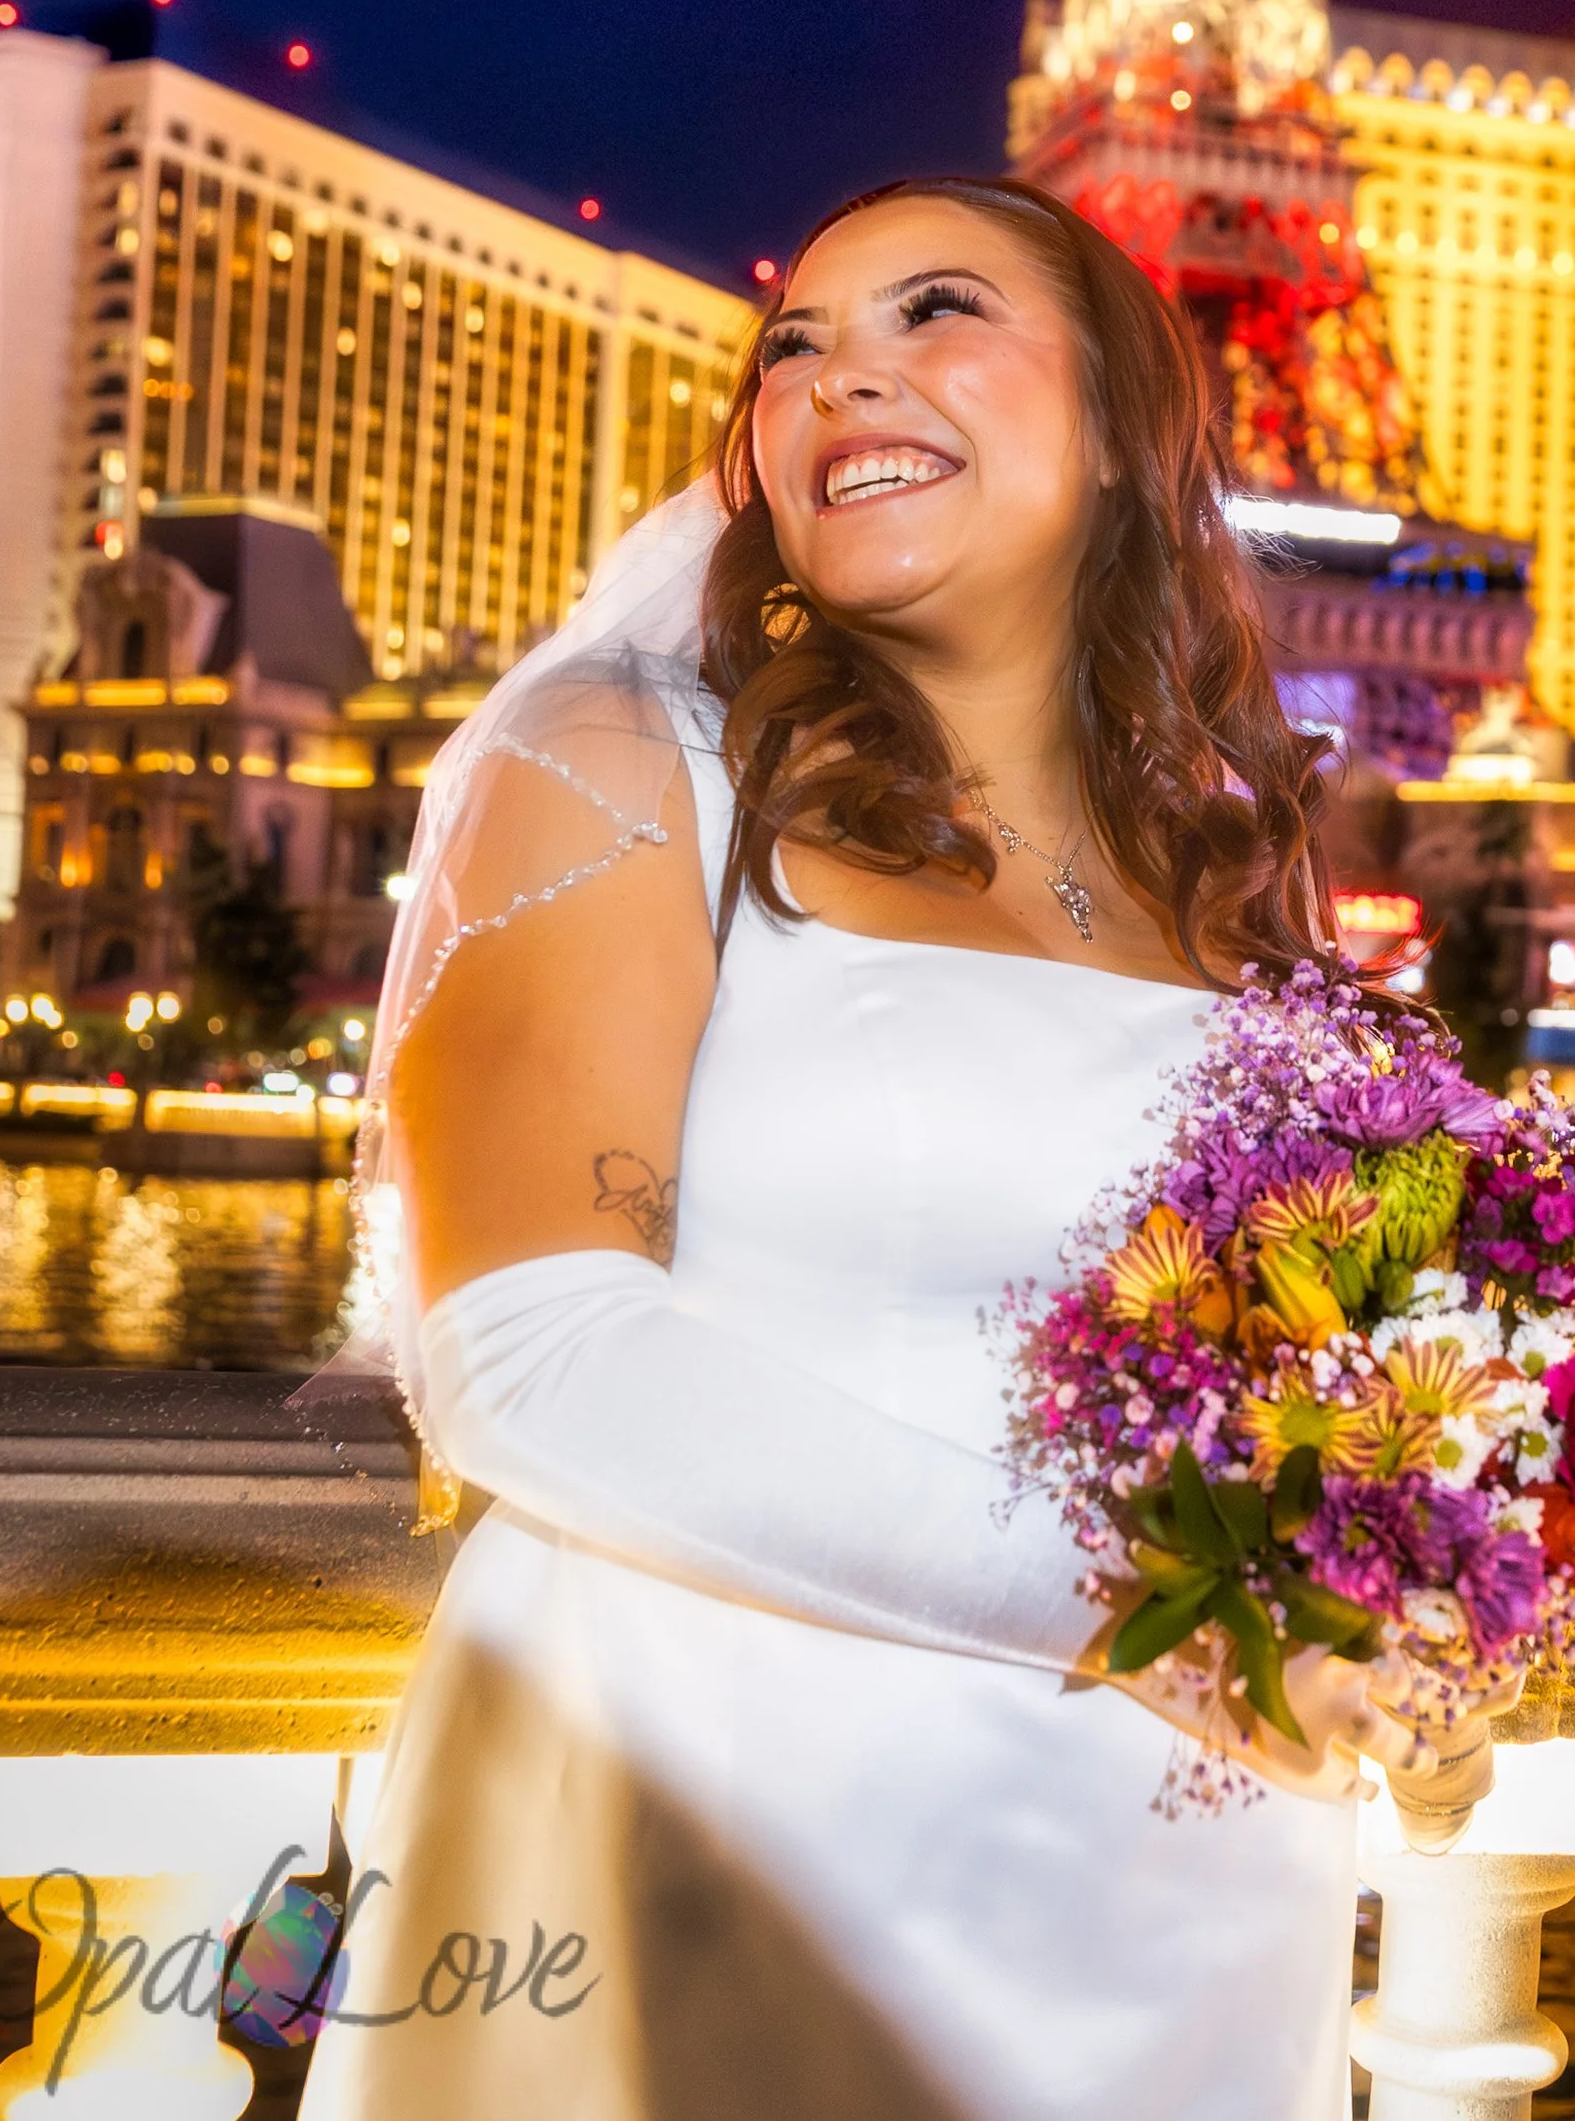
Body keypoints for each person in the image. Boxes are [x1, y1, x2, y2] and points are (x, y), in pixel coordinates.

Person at [302, 175, 1430, 2121]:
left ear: (1116, 432)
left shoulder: (1229, 861)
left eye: (932, 314)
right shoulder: (620, 747)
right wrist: (1155, 1614)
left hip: (1173, 1890)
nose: (842, 378)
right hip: (724, 1826)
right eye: (794, 345)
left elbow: (1324, 1357)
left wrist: (1435, 1578)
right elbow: (527, 1357)